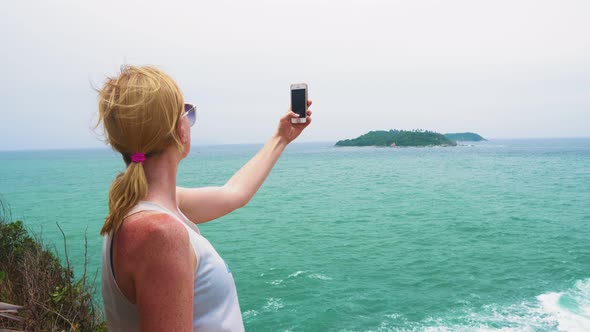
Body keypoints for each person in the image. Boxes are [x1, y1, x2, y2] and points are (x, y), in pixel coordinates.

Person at [97, 65, 312, 331]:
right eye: (189, 113)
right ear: (180, 130)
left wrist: (282, 137)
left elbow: (234, 193)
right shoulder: (159, 232)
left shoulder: (140, 206)